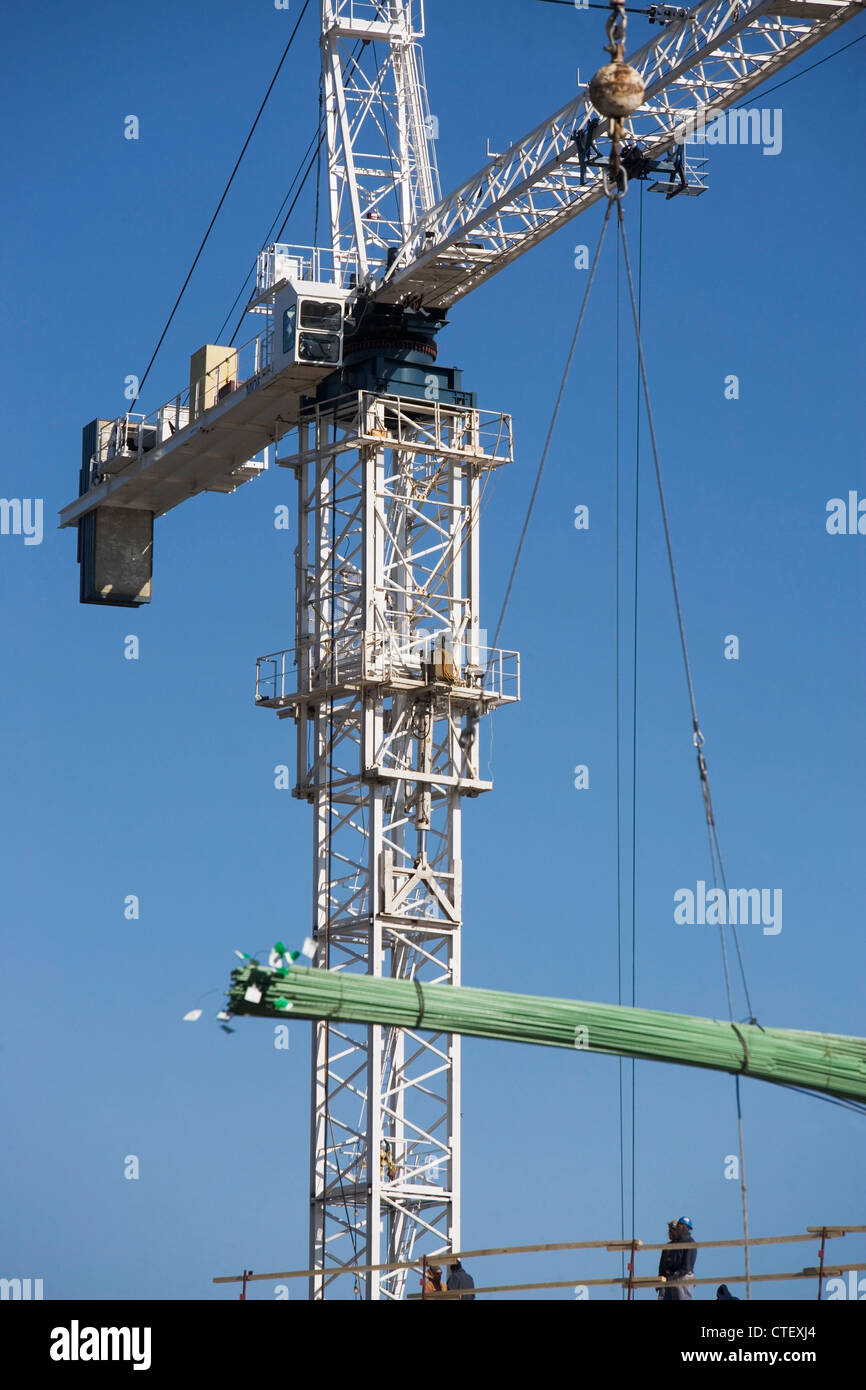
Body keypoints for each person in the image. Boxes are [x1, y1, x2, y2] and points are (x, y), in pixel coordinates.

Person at [657, 1216, 697, 1300]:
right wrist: (660, 1279)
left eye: (673, 1230)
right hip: (669, 1278)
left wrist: (677, 1274)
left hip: (681, 1277)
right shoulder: (669, 1246)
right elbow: (663, 1265)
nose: (670, 1233)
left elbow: (687, 1264)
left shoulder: (689, 1242)